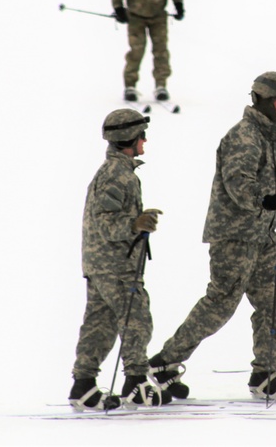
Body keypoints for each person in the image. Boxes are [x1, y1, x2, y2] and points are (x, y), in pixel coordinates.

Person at [148, 72, 276, 399]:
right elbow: (239, 185)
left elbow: (261, 187)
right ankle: (164, 362)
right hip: (235, 237)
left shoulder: (264, 136)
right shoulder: (244, 136)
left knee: (274, 298)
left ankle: (266, 373)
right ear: (267, 100)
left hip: (262, 235)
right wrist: (268, 200)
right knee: (221, 304)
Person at [68, 109, 169, 411]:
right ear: (128, 138)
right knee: (136, 319)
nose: (145, 140)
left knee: (100, 324)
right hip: (115, 265)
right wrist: (135, 224)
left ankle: (83, 386)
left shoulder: (118, 172)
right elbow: (106, 222)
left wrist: (137, 220)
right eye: (141, 135)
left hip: (102, 263)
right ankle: (135, 383)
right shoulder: (116, 174)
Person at [111, 0, 185, 103]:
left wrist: (179, 6)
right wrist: (119, 9)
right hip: (135, 18)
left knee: (161, 51)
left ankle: (161, 86)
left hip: (158, 18)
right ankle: (130, 86)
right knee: (136, 51)